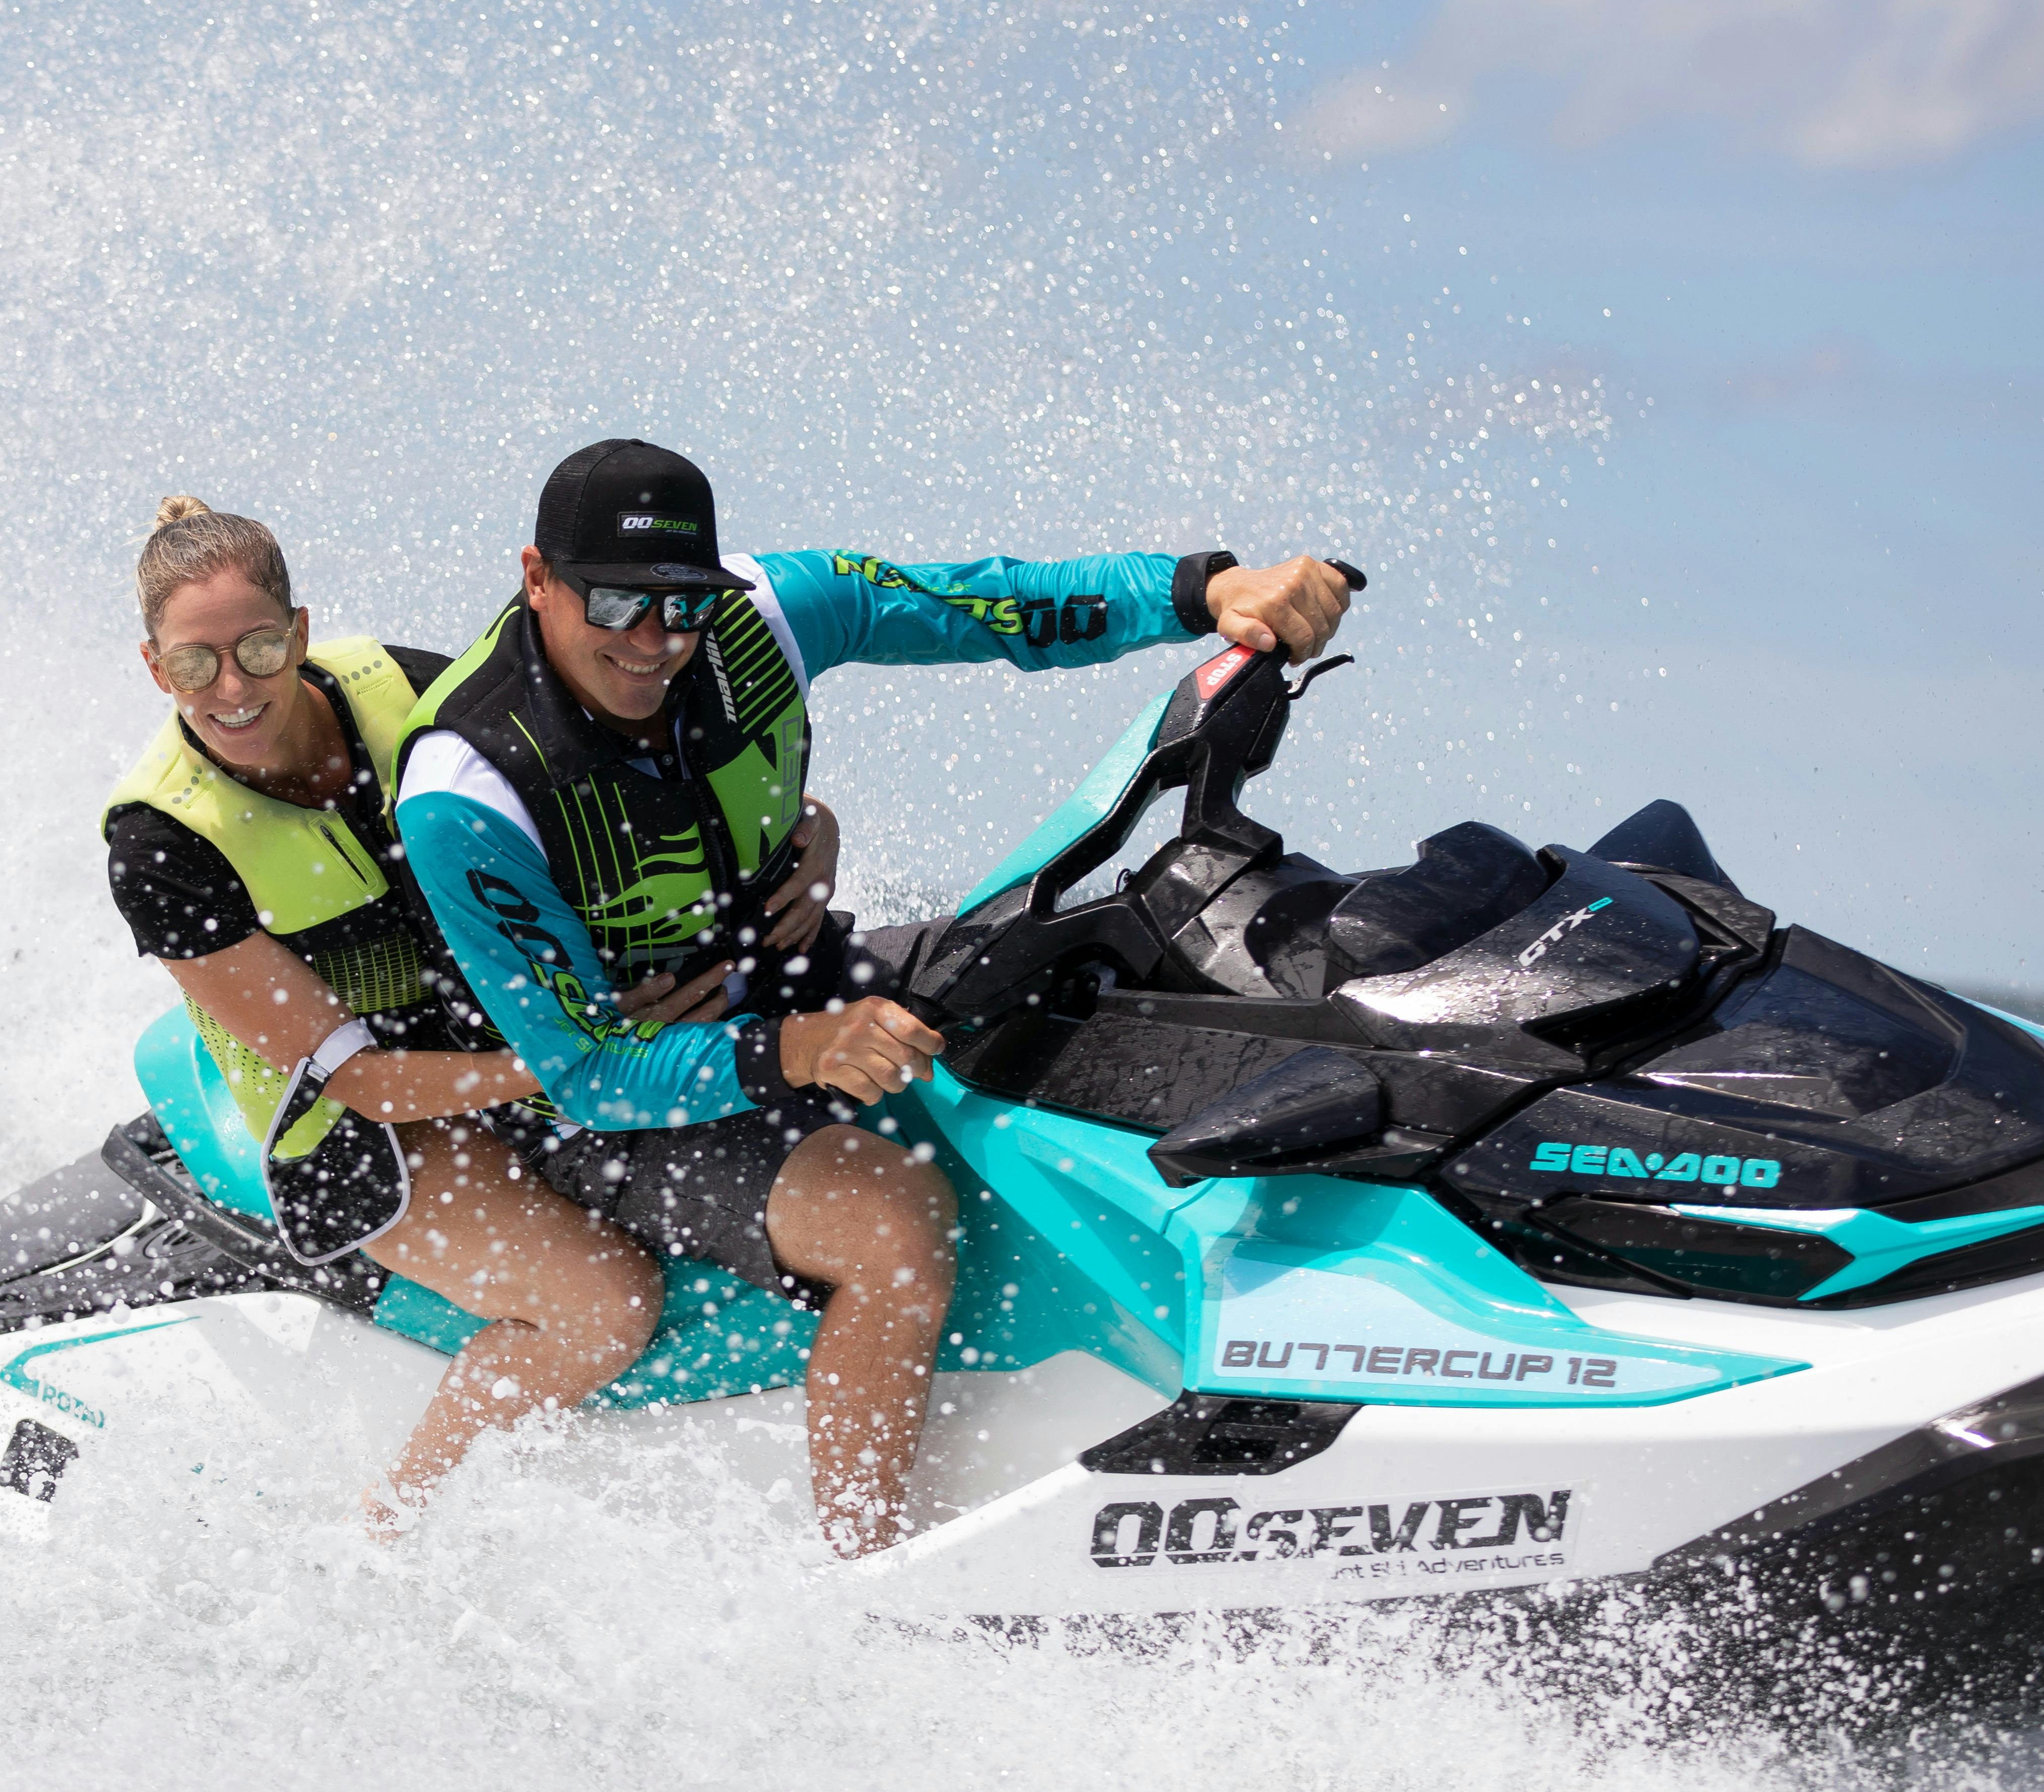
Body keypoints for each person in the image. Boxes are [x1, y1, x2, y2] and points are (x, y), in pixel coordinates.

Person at [391, 439, 1354, 1555]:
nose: (654, 643)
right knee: (894, 1231)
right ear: (537, 577)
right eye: (617, 603)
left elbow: (981, 603)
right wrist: (799, 1052)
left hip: (792, 975)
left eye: (681, 606)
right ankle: (867, 1567)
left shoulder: (766, 614)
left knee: (1109, 994)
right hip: (622, 1092)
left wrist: (1199, 591)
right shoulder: (468, 790)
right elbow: (586, 1073)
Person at [101, 495, 835, 1529]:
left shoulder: (404, 685)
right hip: (359, 1125)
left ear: (301, 634)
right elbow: (356, 1079)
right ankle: (397, 1516)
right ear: (153, 668)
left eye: (259, 647)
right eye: (194, 665)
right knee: (604, 1303)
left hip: (510, 1027)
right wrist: (569, 1063)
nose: (232, 687)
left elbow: (615, 792)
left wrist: (805, 822)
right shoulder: (161, 844)